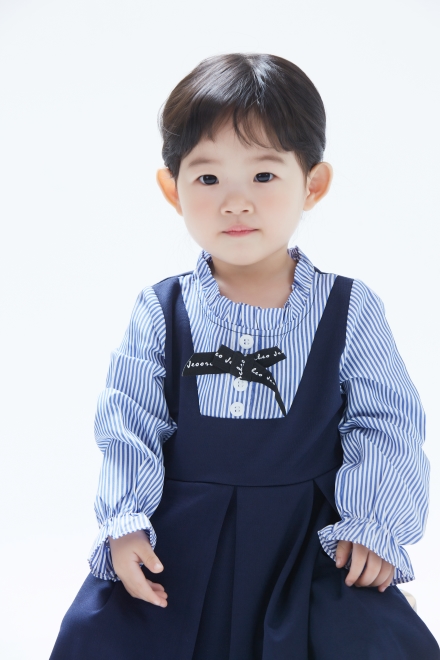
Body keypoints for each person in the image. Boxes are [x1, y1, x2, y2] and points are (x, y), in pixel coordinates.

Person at [49, 53, 440, 659]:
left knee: (370, 637)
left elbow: (386, 422)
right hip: (181, 543)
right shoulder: (162, 308)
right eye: (208, 179)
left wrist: (373, 523)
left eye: (263, 176)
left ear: (312, 184)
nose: (236, 202)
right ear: (172, 190)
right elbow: (128, 422)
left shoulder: (348, 308)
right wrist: (124, 523)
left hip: (307, 544)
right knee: (104, 635)